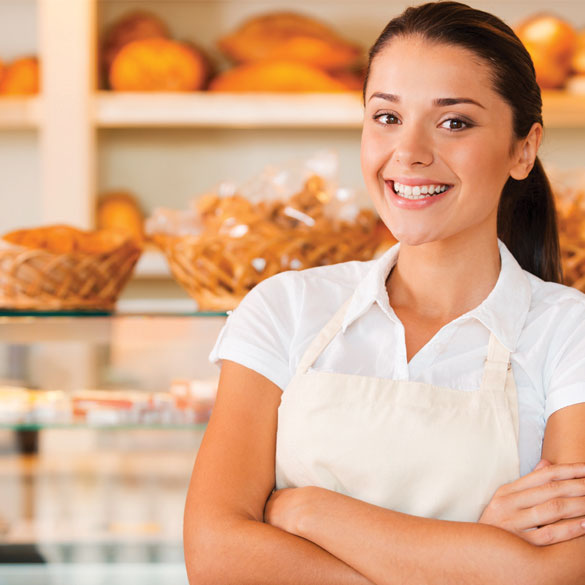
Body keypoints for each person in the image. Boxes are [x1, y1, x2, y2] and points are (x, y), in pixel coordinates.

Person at [183, 2, 585, 583]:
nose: (411, 152)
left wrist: (308, 511)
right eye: (387, 117)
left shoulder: (568, 333)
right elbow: (216, 556)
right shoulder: (285, 309)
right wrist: (478, 554)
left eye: (454, 122)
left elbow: (560, 573)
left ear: (523, 149)